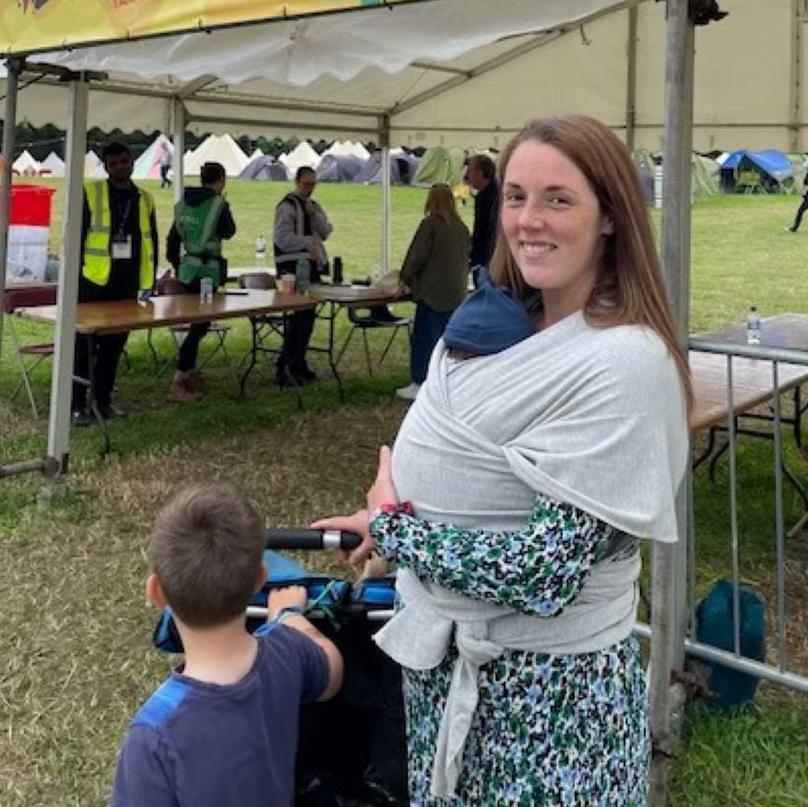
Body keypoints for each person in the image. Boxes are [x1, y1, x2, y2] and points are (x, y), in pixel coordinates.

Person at [314, 115, 691, 805]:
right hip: (446, 667)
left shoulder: (623, 361)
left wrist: (395, 526)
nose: (528, 220)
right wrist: (393, 518)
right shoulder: (513, 321)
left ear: (610, 217)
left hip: (546, 703)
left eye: (558, 198)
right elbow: (482, 476)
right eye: (515, 196)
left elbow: (542, 571)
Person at [111, 482, 343, 806]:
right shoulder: (287, 652)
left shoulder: (153, 735)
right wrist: (289, 616)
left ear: (156, 592)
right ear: (260, 579)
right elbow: (332, 669)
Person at [71, 142, 158, 426]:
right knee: (85, 346)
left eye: (124, 161)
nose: (120, 166)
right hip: (94, 280)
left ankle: (103, 401)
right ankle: (75, 405)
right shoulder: (91, 192)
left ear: (132, 161)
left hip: (127, 283)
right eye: (114, 163)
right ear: (106, 167)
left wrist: (150, 280)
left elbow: (151, 241)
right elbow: (76, 236)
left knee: (113, 347)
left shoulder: (144, 198)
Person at [165, 161, 236, 402]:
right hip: (207, 273)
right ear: (221, 179)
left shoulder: (183, 204)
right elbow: (229, 231)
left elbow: (172, 240)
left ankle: (188, 372)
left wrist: (177, 264)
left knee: (198, 325)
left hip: (187, 271)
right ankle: (180, 376)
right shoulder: (218, 204)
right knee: (200, 325)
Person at [395, 183, 470, 401]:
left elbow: (416, 256)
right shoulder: (461, 227)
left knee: (425, 339)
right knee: (449, 345)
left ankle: (420, 382)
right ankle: (446, 384)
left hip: (433, 293)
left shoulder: (431, 225)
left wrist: (404, 279)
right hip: (456, 293)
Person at [273, 165, 332, 386]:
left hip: (311, 269)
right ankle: (286, 365)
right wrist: (308, 243)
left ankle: (299, 362)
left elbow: (325, 232)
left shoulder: (313, 206)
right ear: (297, 182)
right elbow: (282, 238)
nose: (310, 189)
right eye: (306, 184)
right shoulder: (286, 206)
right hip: (293, 270)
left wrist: (314, 216)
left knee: (307, 319)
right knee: (297, 319)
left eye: (313, 184)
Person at [466, 153, 499, 287]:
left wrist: (476, 256)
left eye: (470, 171)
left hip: (488, 259)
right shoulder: (487, 194)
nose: (468, 176)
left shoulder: (492, 197)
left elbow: (486, 231)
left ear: (479, 173)